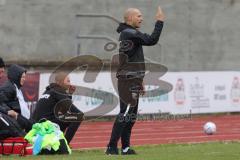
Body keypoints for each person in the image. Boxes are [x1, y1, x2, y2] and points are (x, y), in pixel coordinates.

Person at [106, 6, 165, 155]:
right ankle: (111, 147)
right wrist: (159, 22)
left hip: (134, 79)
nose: (141, 18)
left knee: (131, 116)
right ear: (130, 18)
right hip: (127, 79)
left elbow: (134, 58)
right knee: (124, 113)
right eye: (138, 16)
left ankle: (125, 148)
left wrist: (140, 80)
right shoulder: (129, 32)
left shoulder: (130, 33)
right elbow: (152, 40)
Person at [32, 72, 84, 144]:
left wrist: (69, 94)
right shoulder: (59, 91)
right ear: (61, 82)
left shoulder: (49, 90)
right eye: (68, 81)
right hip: (47, 125)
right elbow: (75, 111)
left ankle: (58, 141)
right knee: (79, 116)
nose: (70, 83)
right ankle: (64, 144)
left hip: (37, 125)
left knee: (64, 117)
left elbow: (64, 110)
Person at [0, 64, 33, 132]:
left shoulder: (15, 87)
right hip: (13, 123)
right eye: (22, 77)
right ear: (16, 76)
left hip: (18, 121)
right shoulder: (8, 87)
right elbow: (1, 102)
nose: (24, 79)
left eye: (24, 77)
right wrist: (8, 111)